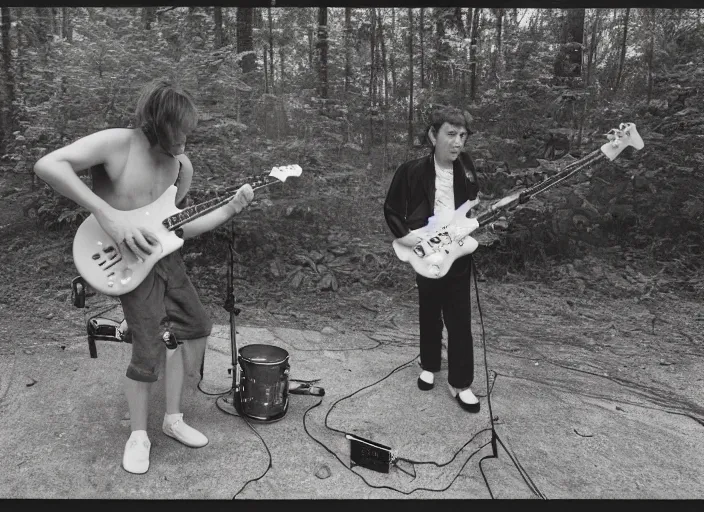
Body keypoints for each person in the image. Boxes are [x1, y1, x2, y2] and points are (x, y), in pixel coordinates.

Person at [33, 79, 254, 474]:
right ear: (157, 122)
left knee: (196, 328)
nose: (186, 139)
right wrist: (107, 214)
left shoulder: (180, 165)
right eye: (179, 130)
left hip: (164, 261)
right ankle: (139, 434)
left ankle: (172, 418)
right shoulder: (117, 143)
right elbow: (47, 165)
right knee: (149, 347)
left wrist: (229, 210)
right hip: (123, 263)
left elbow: (176, 229)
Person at [383, 105, 480, 413]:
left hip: (458, 252)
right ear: (432, 135)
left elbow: (471, 208)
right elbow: (391, 209)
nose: (458, 143)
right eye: (451, 134)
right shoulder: (411, 170)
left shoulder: (467, 167)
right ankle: (429, 364)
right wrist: (409, 239)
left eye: (462, 135)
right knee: (429, 309)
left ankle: (461, 382)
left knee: (460, 318)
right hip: (425, 250)